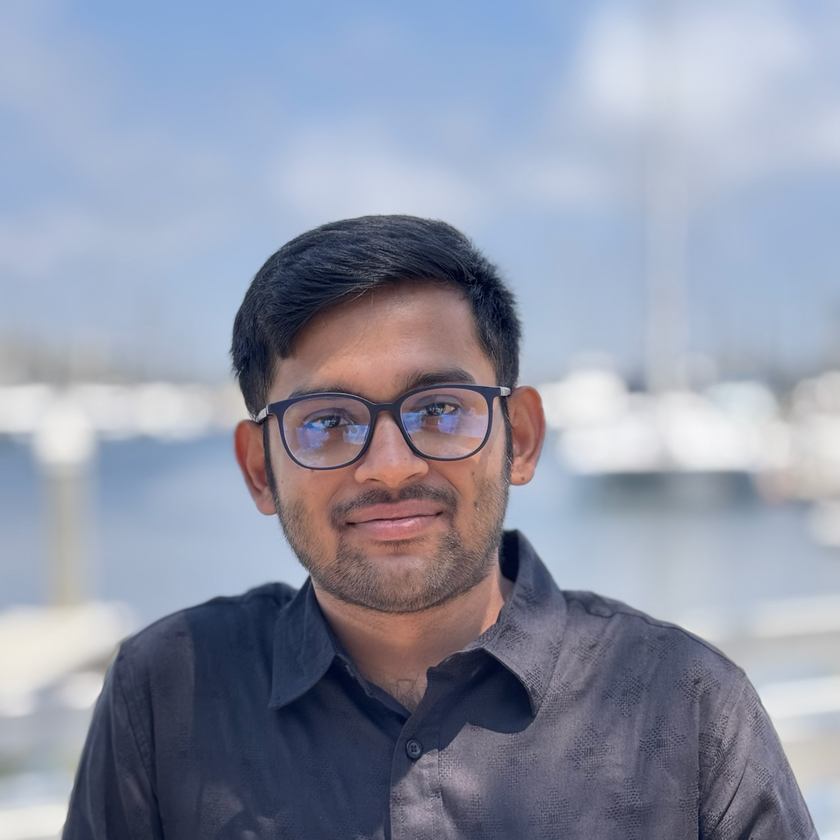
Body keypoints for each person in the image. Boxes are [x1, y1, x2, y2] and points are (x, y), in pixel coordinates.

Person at [63, 215, 817, 839]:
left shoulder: (687, 705)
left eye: (439, 410)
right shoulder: (168, 694)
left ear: (519, 437)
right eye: (328, 422)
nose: (388, 466)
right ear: (260, 468)